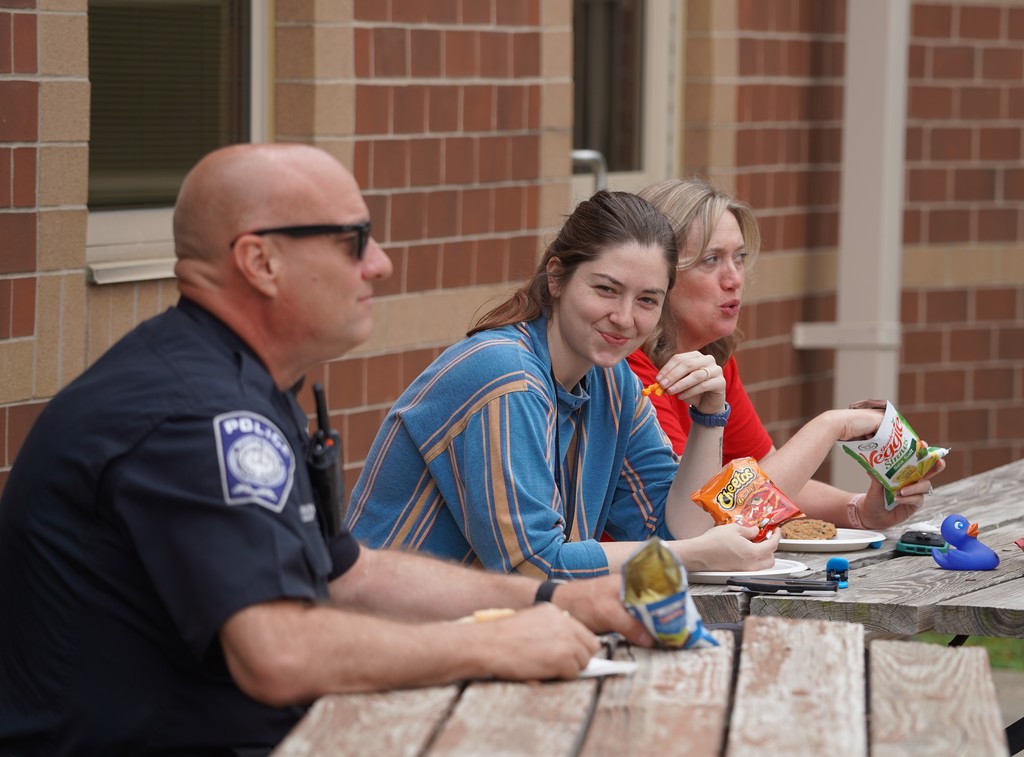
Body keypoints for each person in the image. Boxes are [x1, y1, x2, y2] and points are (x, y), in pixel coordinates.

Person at [0, 144, 655, 757]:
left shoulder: (238, 382)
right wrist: (489, 642)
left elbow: (350, 573)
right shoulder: (196, 413)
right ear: (260, 261)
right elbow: (278, 651)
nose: (380, 263)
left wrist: (550, 602)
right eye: (352, 241)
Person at [345, 189, 782, 580]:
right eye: (607, 290)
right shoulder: (504, 373)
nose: (625, 318)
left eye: (647, 300)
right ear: (556, 277)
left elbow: (673, 528)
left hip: (490, 633)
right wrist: (692, 557)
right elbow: (536, 565)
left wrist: (709, 418)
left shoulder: (614, 383)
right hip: (388, 637)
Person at [628, 177, 944, 532]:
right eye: (710, 260)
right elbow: (714, 510)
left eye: (740, 257)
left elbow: (767, 471)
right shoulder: (630, 370)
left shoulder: (712, 359)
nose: (734, 279)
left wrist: (859, 510)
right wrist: (831, 425)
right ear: (660, 274)